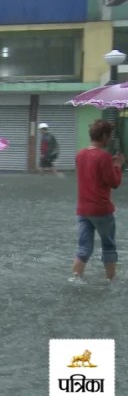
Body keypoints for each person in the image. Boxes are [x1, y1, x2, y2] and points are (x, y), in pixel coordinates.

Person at [70, 120, 125, 283]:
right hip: (101, 210)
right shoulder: (104, 156)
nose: (110, 139)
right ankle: (111, 280)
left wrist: (111, 163)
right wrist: (117, 165)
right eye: (109, 136)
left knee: (83, 247)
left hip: (83, 209)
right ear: (103, 136)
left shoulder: (80, 155)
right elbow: (114, 183)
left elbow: (91, 175)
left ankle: (75, 277)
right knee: (108, 246)